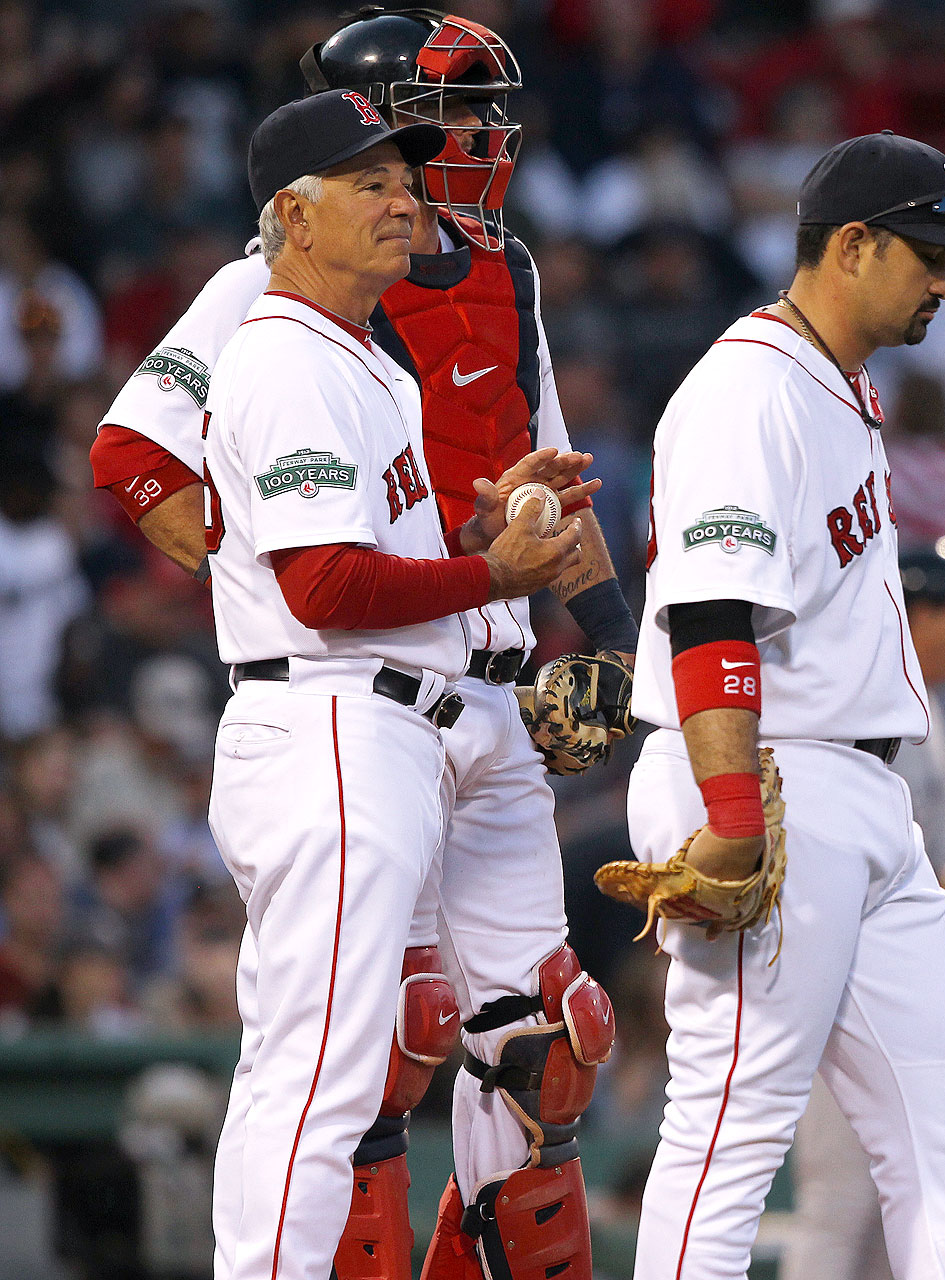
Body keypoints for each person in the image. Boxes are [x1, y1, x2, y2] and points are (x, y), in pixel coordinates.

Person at [87, 13, 638, 1277]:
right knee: (370, 1047)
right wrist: (258, 573)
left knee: (548, 1039)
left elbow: (528, 489)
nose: (475, 140)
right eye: (435, 121)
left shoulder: (497, 276)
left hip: (478, 680)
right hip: (352, 683)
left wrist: (603, 634)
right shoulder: (266, 294)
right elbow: (132, 458)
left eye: (463, 125)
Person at [204, 90, 581, 1280]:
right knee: (318, 1078)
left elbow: (366, 554)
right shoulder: (284, 351)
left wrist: (466, 524)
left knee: (334, 1069)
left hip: (386, 727)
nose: (404, 199)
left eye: (405, 179)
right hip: (327, 717)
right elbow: (321, 584)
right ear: (290, 215)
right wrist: (491, 569)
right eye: (369, 183)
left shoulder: (362, 356)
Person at [625, 131, 945, 1278]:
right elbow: (707, 614)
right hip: (767, 770)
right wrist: (732, 806)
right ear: (852, 245)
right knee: (731, 1128)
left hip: (863, 790)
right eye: (928, 253)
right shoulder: (750, 387)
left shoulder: (835, 385)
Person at [782, 541, 945, 1280]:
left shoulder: (914, 699)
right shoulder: (864, 701)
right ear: (917, 612)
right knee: (840, 1202)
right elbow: (845, 848)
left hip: (892, 979)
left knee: (890, 1207)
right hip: (845, 976)